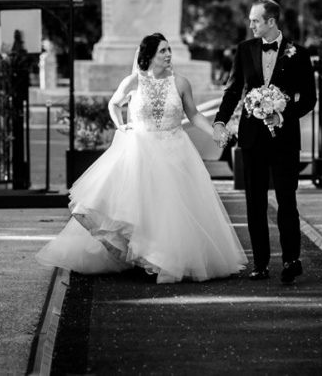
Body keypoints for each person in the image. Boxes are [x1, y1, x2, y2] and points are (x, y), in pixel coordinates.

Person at [36, 33, 247, 284]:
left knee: (170, 210)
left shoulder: (181, 83)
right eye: (163, 51)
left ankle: (169, 260)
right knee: (139, 207)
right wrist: (121, 125)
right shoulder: (133, 81)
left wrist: (215, 130)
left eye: (170, 50)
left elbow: (193, 114)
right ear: (149, 56)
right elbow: (114, 104)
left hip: (175, 150)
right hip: (140, 150)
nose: (169, 55)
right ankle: (145, 256)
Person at [213, 0, 317, 284]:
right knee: (255, 202)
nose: (251, 25)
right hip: (252, 139)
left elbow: (309, 99)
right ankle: (260, 263)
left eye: (256, 20)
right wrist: (220, 121)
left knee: (286, 199)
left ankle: (290, 260)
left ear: (271, 21)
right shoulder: (244, 50)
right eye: (251, 20)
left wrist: (283, 114)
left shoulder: (299, 53)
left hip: (284, 140)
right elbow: (233, 90)